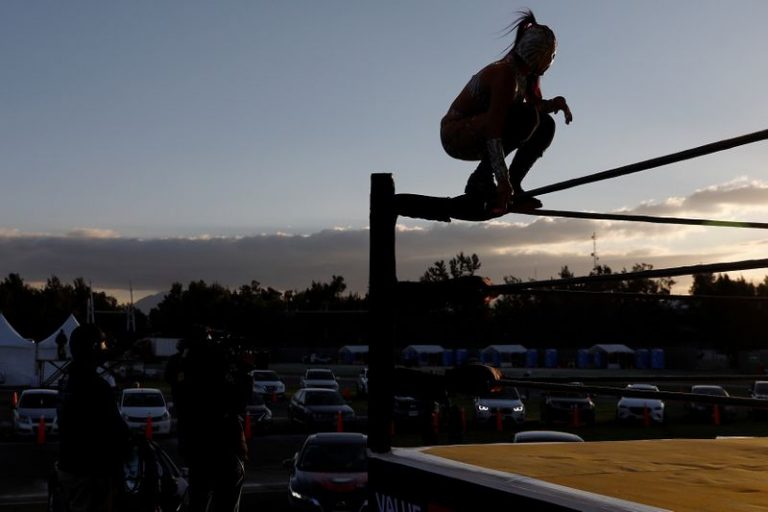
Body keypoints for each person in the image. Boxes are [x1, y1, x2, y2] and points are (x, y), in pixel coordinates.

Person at [440, 9, 573, 215]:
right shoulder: (505, 74)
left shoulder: (521, 78)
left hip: (481, 129)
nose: (551, 61)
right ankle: (481, 180)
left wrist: (554, 104)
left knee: (545, 123)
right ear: (540, 54)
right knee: (527, 116)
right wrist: (502, 181)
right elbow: (495, 130)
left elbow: (527, 114)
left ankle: (514, 183)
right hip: (456, 134)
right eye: (550, 55)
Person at [168, 328, 250, 512]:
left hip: (194, 447)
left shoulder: (179, 371)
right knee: (227, 499)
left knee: (198, 497)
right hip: (223, 447)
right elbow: (238, 402)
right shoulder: (213, 373)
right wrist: (243, 372)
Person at [56, 324, 130, 512]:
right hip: (89, 472)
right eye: (102, 343)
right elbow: (115, 429)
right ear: (93, 347)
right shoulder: (96, 386)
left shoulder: (67, 382)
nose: (105, 348)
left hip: (69, 467)